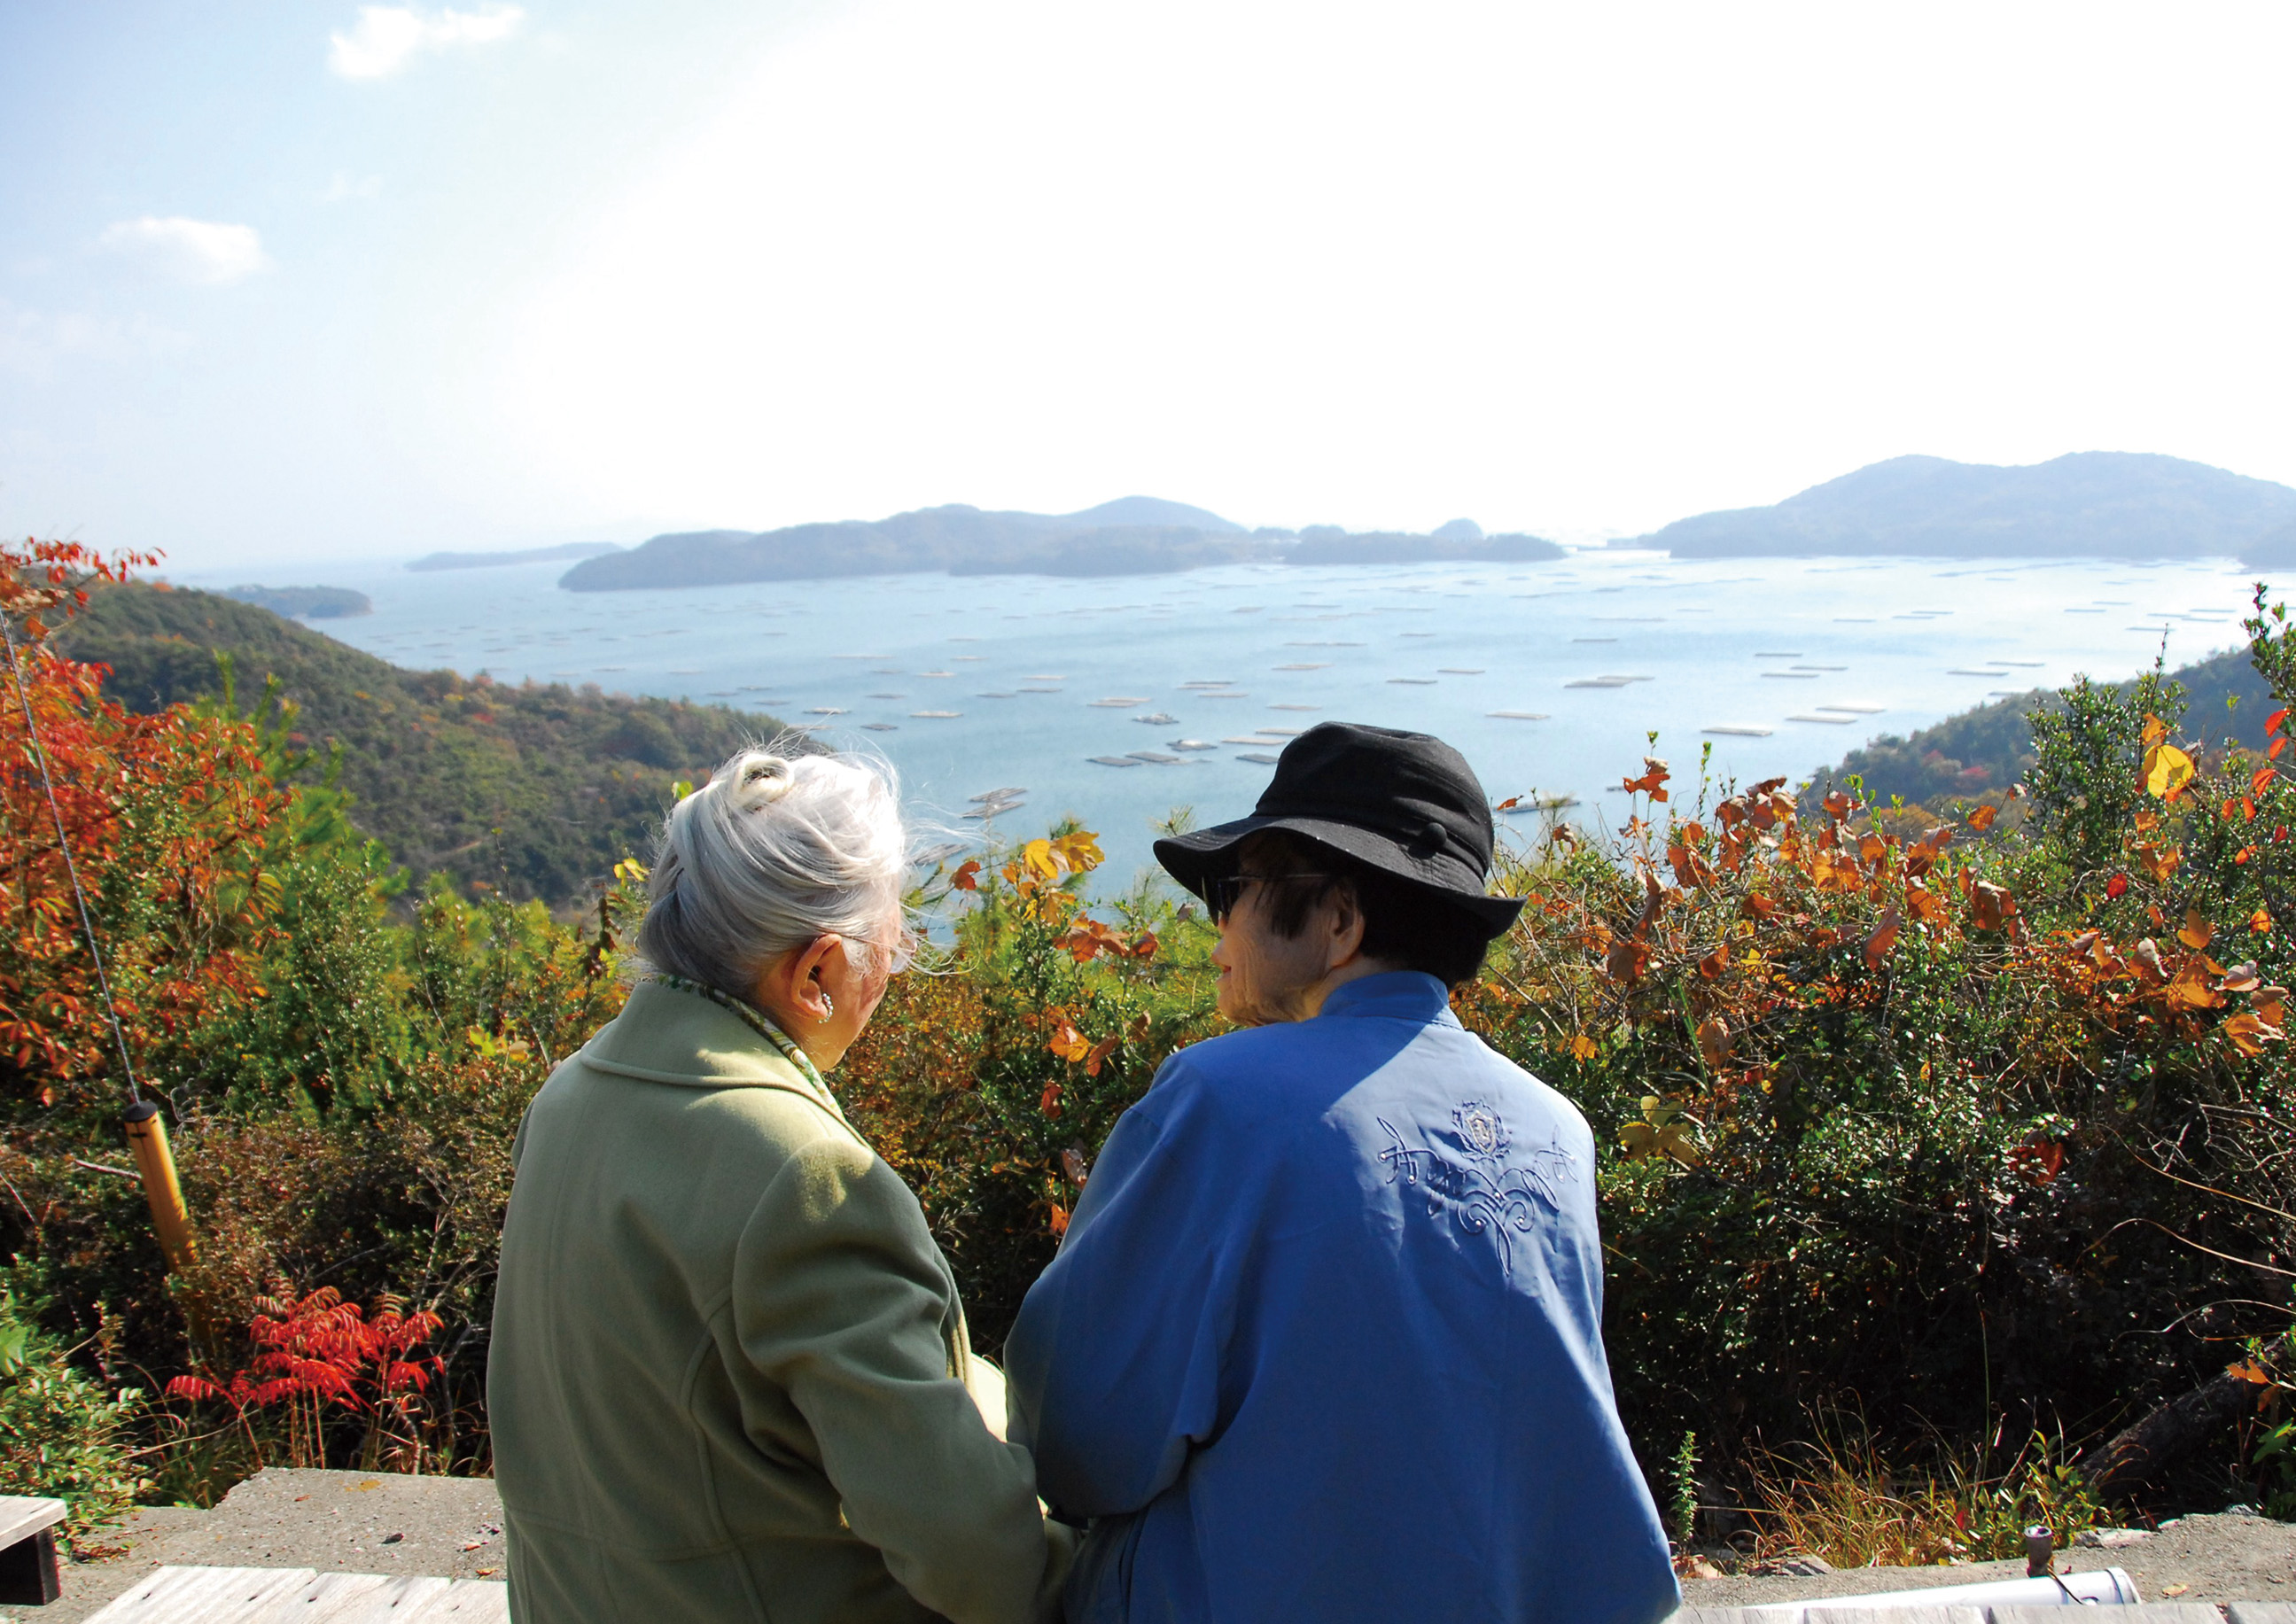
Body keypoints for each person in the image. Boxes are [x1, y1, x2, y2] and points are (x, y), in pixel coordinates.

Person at [1003, 721, 1679, 1624]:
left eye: (1231, 890)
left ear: (1339, 919)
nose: (1216, 932)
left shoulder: (1222, 1095)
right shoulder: (1556, 1129)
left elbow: (1080, 1435)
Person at [488, 745, 1070, 1624]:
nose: (901, 957)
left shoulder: (568, 1097)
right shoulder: (799, 1173)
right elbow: (975, 1556)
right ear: (815, 973)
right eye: (890, 931)